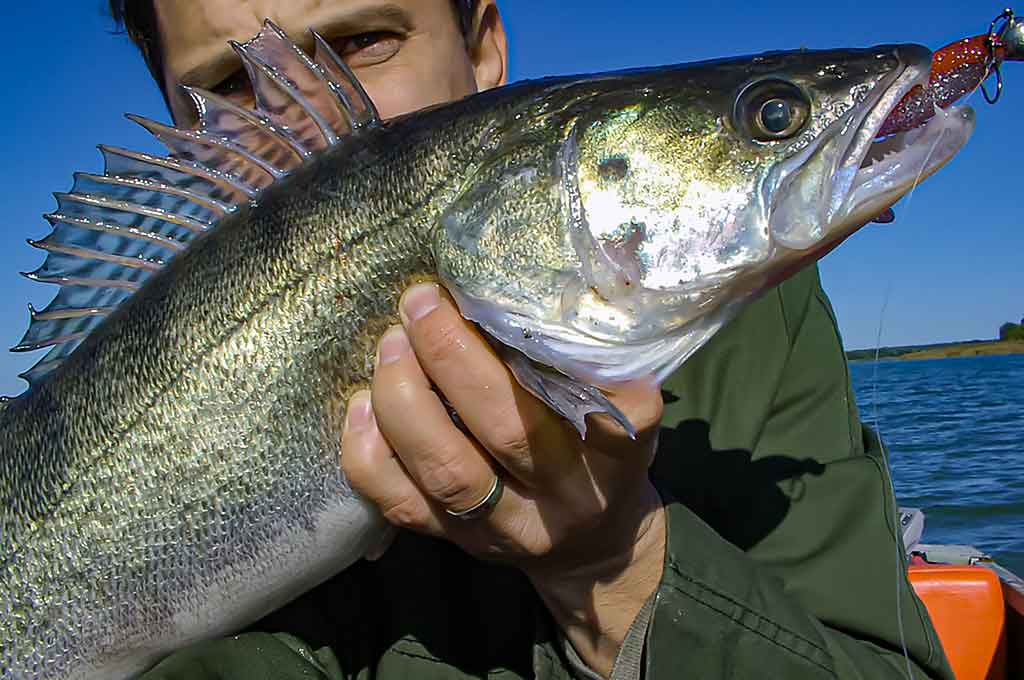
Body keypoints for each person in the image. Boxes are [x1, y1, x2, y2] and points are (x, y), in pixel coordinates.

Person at [110, 1, 954, 678]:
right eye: (230, 83)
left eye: (362, 40)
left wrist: (613, 567)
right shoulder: (143, 354)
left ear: (483, 45)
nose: (302, 104)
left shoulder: (758, 335)